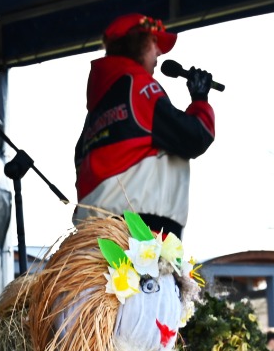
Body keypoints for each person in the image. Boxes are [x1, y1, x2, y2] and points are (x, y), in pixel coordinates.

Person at [72, 13, 215, 239]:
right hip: (141, 235)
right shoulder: (138, 86)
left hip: (93, 238)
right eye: (153, 42)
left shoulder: (95, 112)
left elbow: (80, 165)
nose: (159, 52)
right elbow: (195, 136)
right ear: (136, 43)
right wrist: (200, 99)